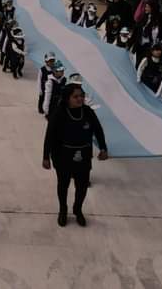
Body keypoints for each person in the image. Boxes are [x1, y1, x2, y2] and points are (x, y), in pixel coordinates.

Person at [42, 84, 108, 227]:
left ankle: (77, 209)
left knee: (82, 186)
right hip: (63, 156)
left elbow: (98, 130)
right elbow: (50, 136)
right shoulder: (59, 113)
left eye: (82, 96)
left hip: (83, 156)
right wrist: (46, 156)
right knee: (63, 185)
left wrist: (103, 148)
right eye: (76, 96)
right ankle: (63, 210)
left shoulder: (88, 112)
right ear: (67, 98)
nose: (80, 99)